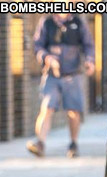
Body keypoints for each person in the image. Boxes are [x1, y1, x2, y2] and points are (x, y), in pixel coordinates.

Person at [27, 13, 95, 158]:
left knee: (73, 111)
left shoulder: (78, 22)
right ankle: (40, 143)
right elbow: (38, 46)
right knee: (46, 108)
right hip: (52, 75)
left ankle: (73, 144)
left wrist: (90, 61)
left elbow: (88, 45)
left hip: (73, 75)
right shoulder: (47, 22)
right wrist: (47, 57)